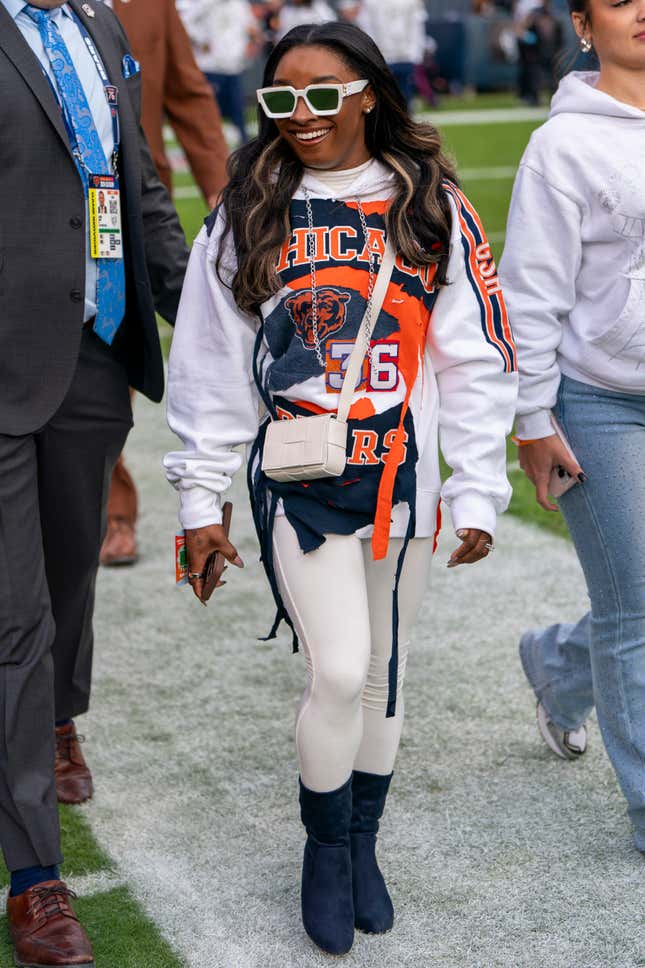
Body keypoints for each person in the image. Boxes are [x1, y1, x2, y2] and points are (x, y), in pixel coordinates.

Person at [164, 21, 517, 955]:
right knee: (337, 668)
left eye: (323, 94)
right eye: (281, 100)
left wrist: (477, 489)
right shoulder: (250, 207)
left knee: (383, 681)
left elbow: (476, 357)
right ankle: (325, 850)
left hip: (403, 477)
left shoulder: (428, 204)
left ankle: (363, 845)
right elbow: (206, 360)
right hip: (304, 476)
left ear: (367, 92)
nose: (302, 116)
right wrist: (200, 501)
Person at [0, 1, 188, 963]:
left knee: (72, 572)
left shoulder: (101, 25)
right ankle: (34, 878)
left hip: (95, 353)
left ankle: (58, 718)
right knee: (15, 614)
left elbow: (134, 179)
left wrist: (201, 309)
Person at [500, 0, 645, 853]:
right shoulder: (564, 145)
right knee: (636, 609)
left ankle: (557, 665)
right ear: (584, 25)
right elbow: (529, 293)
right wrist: (531, 417)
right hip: (598, 397)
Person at [100, 0, 229, 568]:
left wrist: (229, 198)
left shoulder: (151, 5)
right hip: (39, 211)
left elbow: (189, 96)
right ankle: (110, 508)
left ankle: (113, 513)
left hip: (134, 213)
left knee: (120, 361)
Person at [179, 0, 262, 146]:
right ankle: (206, 144)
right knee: (208, 111)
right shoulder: (204, 3)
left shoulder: (240, 5)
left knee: (238, 111)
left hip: (233, 67)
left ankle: (244, 146)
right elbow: (185, 22)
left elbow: (251, 26)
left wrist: (253, 40)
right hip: (210, 66)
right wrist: (200, 40)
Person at [356, 0, 428, 106]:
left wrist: (415, 53)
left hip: (405, 55)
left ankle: (405, 119)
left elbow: (416, 27)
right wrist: (374, 53)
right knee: (385, 96)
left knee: (405, 96)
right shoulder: (371, 3)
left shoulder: (411, 2)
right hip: (383, 56)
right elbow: (366, 27)